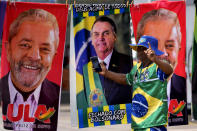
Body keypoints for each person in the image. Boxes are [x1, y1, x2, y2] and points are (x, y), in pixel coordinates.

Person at [0, 9, 60, 131]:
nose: (34, 56)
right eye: (25, 45)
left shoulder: (57, 96)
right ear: (8, 49)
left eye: (45, 49)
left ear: (53, 56)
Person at [99, 35, 173, 130]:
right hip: (137, 124)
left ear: (150, 51)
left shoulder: (158, 67)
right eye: (138, 48)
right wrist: (106, 73)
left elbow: (169, 70)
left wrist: (155, 59)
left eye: (142, 48)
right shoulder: (136, 68)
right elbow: (125, 79)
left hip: (154, 123)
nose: (138, 51)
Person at [136, 8, 187, 123]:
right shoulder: (130, 88)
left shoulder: (183, 87)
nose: (163, 53)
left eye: (169, 45)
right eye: (154, 46)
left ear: (179, 48)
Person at [81, 16, 132, 108]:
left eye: (106, 33)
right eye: (96, 34)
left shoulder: (129, 62)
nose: (100, 38)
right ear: (92, 40)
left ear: (115, 37)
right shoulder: (86, 69)